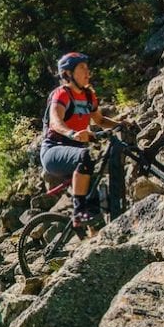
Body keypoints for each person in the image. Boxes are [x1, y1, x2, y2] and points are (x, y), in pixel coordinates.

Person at [40, 52, 126, 226]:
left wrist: (121, 124)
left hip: (76, 152)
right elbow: (55, 122)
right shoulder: (61, 94)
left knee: (95, 189)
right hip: (53, 151)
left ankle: (95, 226)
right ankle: (78, 211)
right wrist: (73, 134)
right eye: (82, 68)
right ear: (68, 74)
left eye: (88, 68)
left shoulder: (88, 96)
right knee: (85, 155)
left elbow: (100, 120)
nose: (88, 72)